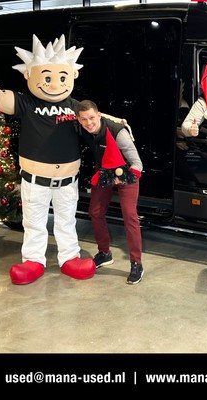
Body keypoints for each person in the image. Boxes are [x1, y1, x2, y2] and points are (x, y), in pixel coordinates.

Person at [0, 35, 96, 285]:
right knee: (34, 222)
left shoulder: (75, 106)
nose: (54, 84)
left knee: (67, 221)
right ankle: (33, 261)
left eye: (62, 78)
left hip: (67, 181)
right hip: (35, 181)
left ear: (72, 76)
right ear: (29, 75)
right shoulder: (26, 103)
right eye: (47, 78)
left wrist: (119, 128)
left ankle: (70, 257)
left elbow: (98, 121)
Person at [76, 100, 145, 285]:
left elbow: (137, 163)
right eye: (84, 119)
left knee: (130, 216)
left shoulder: (118, 132)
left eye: (92, 118)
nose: (89, 123)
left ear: (99, 115)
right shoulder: (83, 128)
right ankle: (105, 253)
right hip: (105, 171)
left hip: (128, 172)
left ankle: (136, 263)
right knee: (95, 212)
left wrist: (123, 177)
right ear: (79, 120)